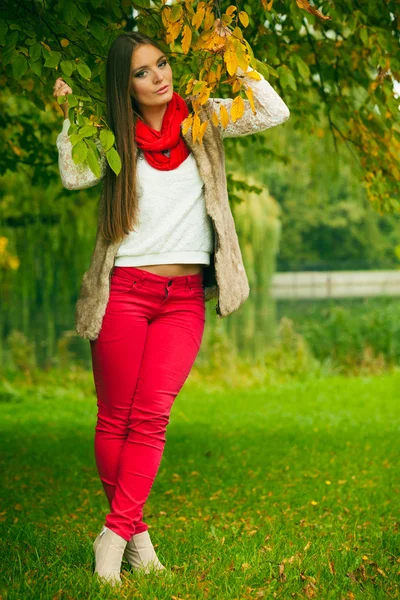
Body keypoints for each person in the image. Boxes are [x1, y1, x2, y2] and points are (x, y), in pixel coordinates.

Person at [53, 26, 290, 587]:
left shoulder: (200, 121)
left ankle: (112, 534)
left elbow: (272, 109)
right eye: (142, 72)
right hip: (125, 291)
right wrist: (70, 117)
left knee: (153, 415)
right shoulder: (112, 134)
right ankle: (137, 540)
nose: (158, 76)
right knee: (115, 417)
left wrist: (234, 59)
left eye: (161, 64)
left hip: (183, 298)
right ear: (125, 85)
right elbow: (72, 174)